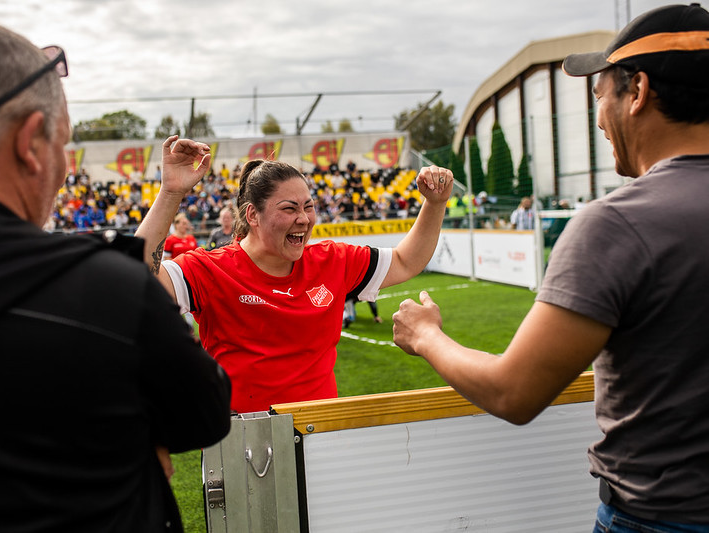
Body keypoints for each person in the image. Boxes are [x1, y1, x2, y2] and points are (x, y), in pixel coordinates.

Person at [392, 4, 709, 530]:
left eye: (599, 94)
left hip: (660, 517)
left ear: (638, 92)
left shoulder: (616, 225)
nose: (599, 118)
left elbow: (513, 392)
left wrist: (426, 336)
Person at [0, 20, 231, 532]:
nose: (62, 171)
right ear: (28, 141)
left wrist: (169, 195)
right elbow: (204, 414)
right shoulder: (103, 293)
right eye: (62, 144)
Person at [136, 148, 452, 413]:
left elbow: (405, 261)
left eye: (308, 207)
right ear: (252, 215)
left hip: (321, 435)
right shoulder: (210, 269)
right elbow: (138, 281)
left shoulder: (333, 260)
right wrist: (171, 193)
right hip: (240, 443)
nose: (303, 218)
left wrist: (435, 204)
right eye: (289, 208)